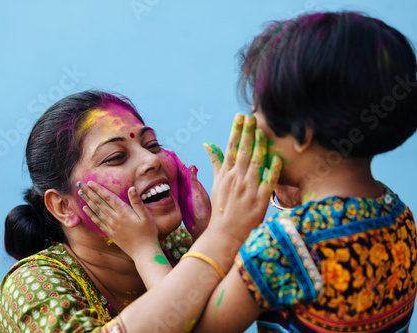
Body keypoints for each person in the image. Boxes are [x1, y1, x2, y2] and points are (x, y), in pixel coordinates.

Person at [81, 11, 417, 333]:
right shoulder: (398, 213)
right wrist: (206, 227)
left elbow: (185, 326)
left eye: (257, 109)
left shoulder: (284, 245)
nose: (251, 122)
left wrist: (146, 248)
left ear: (301, 132)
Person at [0, 90, 213, 332]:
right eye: (116, 157)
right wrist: (146, 250)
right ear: (63, 207)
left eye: (152, 145)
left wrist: (208, 232)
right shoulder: (32, 287)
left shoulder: (183, 246)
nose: (152, 160)